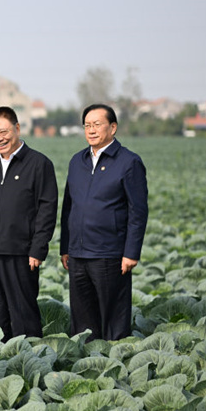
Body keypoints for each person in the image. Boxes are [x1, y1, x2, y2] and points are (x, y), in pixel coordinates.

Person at [60, 104, 148, 341]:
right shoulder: (77, 161)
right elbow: (68, 206)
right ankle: (86, 361)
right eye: (87, 125)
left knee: (113, 317)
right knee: (82, 318)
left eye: (97, 124)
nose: (91, 130)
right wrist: (65, 247)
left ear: (113, 127)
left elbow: (138, 211)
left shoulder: (129, 162)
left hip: (109, 253)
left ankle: (116, 360)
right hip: (78, 254)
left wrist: (131, 253)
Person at [0, 106, 58, 341]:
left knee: (23, 314)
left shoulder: (39, 164)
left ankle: (29, 361)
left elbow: (47, 210)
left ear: (17, 128)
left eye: (3, 131)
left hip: (22, 253)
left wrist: (38, 248)